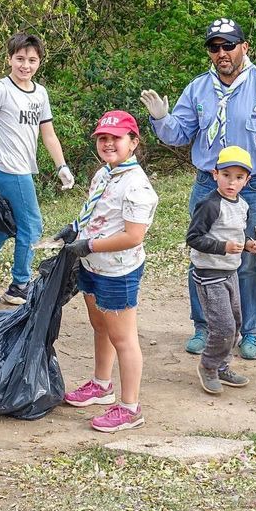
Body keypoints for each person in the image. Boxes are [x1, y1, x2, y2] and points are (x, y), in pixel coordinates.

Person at [141, 17, 256, 360]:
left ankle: (250, 332)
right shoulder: (199, 88)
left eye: (228, 45)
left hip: (253, 185)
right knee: (203, 256)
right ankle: (204, 327)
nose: (221, 53)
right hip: (208, 185)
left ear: (244, 47)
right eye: (214, 48)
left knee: (248, 259)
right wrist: (161, 118)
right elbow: (179, 134)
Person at [56, 111, 157, 433]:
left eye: (116, 138)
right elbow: (97, 212)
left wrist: (90, 246)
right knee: (99, 325)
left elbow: (133, 236)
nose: (108, 143)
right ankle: (102, 384)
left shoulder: (137, 187)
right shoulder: (103, 175)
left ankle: (130, 407)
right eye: (103, 138)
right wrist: (74, 229)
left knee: (123, 338)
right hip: (91, 263)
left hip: (117, 271)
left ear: (133, 142)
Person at [0, 33, 75, 306]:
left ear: (39, 62)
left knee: (3, 225)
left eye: (32, 60)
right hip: (7, 168)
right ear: (9, 59)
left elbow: (48, 133)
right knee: (31, 224)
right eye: (20, 59)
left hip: (24, 166)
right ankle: (19, 285)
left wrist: (61, 165)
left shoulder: (40, 93)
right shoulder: (1, 89)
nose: (25, 65)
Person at [186, 146, 256, 394]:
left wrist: (248, 245)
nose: (232, 182)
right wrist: (223, 247)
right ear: (215, 174)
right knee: (223, 326)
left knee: (235, 323)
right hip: (208, 275)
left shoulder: (243, 205)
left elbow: (237, 234)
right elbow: (193, 238)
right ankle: (208, 366)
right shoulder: (209, 205)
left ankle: (222, 366)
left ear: (247, 180)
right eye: (226, 175)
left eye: (239, 177)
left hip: (230, 273)